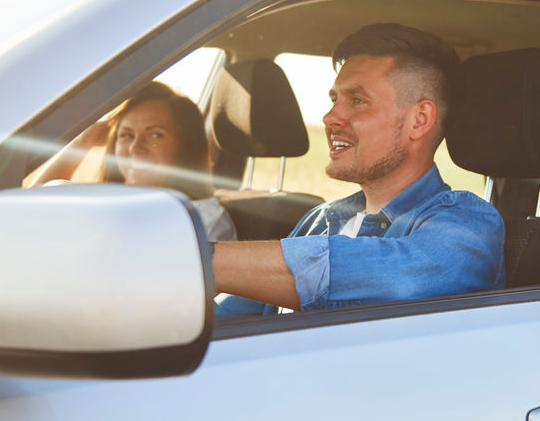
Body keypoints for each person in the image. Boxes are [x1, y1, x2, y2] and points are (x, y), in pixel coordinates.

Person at [214, 23, 504, 316]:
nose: (330, 117)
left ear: (419, 120)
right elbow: (225, 318)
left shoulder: (470, 224)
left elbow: (397, 281)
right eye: (334, 99)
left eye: (357, 101)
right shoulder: (321, 219)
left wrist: (206, 261)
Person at [30, 81, 237, 242]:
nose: (135, 147)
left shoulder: (203, 217)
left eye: (155, 135)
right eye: (127, 135)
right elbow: (31, 204)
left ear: (185, 148)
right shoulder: (110, 201)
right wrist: (84, 141)